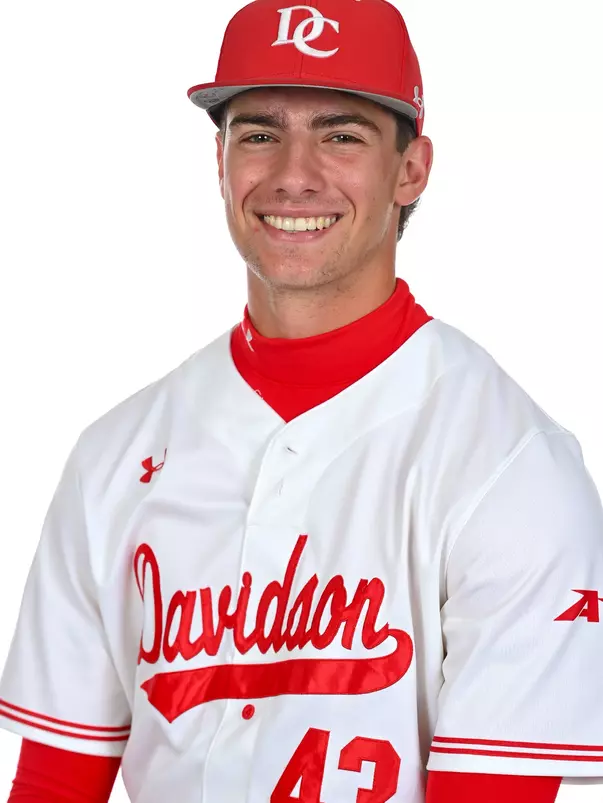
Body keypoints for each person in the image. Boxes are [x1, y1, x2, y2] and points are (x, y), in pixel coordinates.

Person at [1, 1, 602, 801]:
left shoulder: (509, 464)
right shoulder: (113, 454)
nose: (293, 172)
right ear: (220, 160)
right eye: (258, 133)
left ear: (411, 168)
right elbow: (55, 779)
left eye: (340, 133)